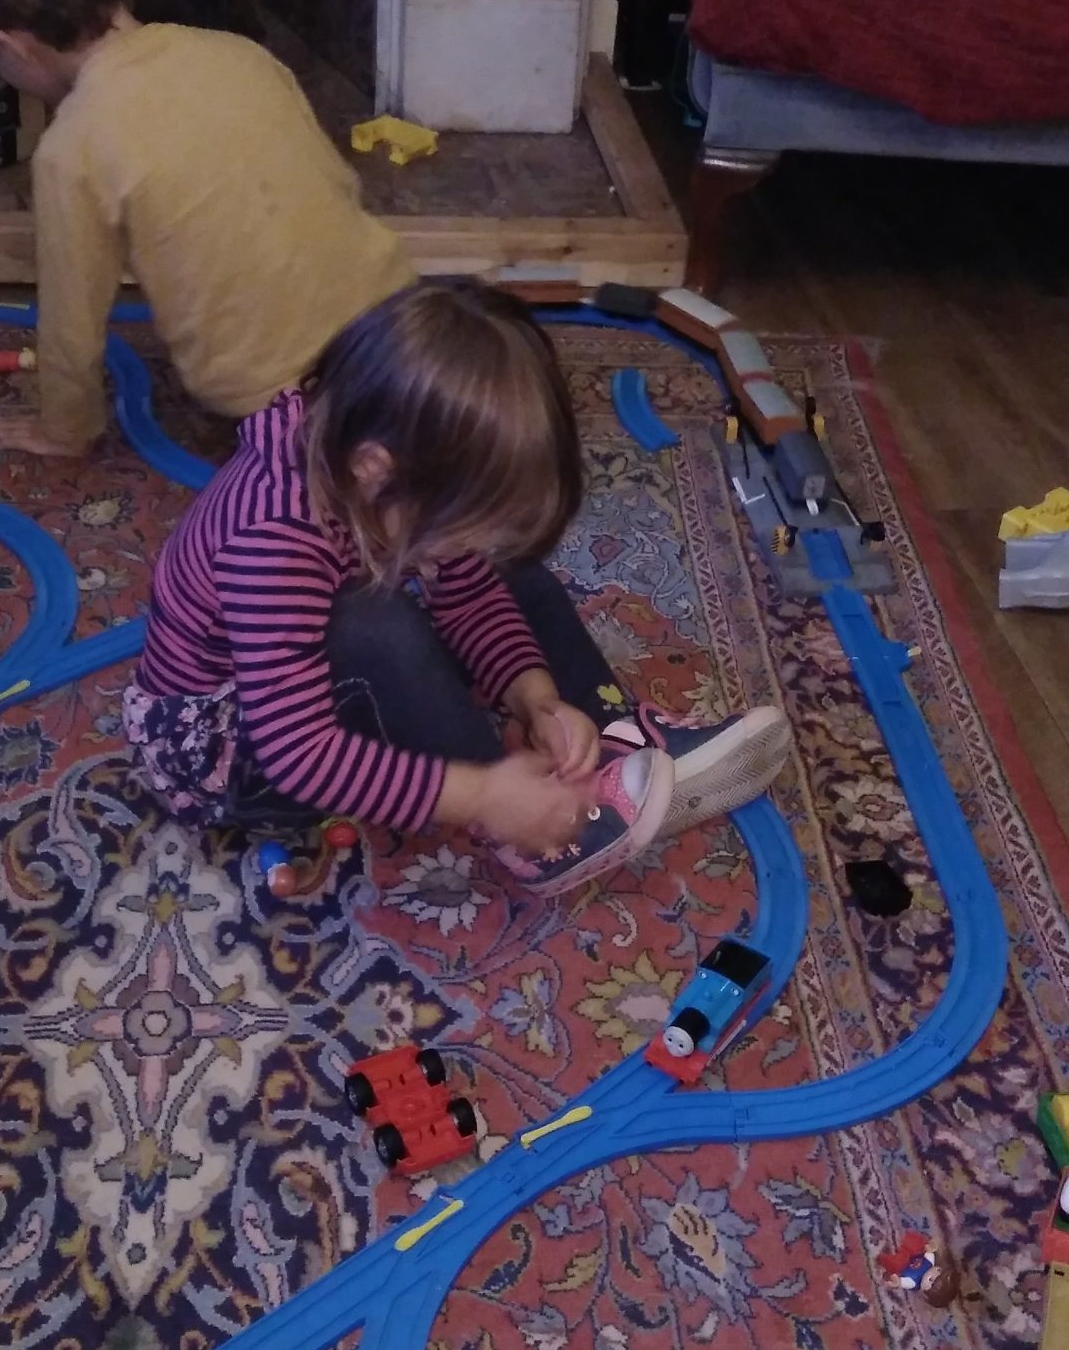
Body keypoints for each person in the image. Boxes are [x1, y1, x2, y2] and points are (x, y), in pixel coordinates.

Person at [126, 281, 791, 892]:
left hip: (297, 682)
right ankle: (524, 829)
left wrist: (535, 697)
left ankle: (614, 731)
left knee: (508, 573)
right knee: (376, 624)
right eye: (463, 529)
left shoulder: (385, 452)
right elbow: (296, 752)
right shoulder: (272, 539)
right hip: (227, 759)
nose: (469, 550)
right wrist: (484, 794)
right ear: (374, 469)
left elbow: (470, 591)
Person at [0, 0, 414, 458]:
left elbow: (72, 325)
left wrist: (65, 428)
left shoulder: (71, 150)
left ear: (8, 45)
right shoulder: (239, 54)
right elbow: (335, 187)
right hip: (398, 326)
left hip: (274, 394)